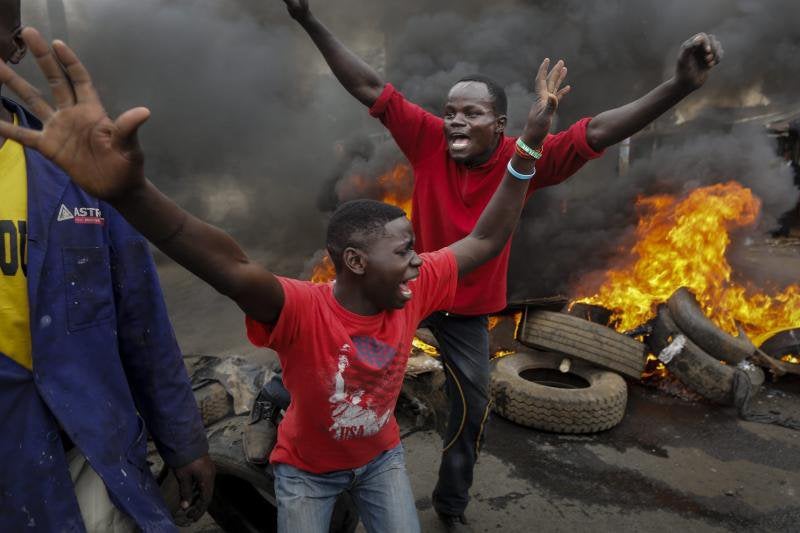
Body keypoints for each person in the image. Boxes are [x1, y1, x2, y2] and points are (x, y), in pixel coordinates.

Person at [0, 26, 567, 532]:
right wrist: (130, 194)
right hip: (306, 474)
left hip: (381, 463)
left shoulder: (419, 286)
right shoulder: (301, 308)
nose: (421, 260)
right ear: (355, 264)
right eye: (405, 251)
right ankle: (273, 404)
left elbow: (487, 240)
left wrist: (532, 143)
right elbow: (223, 263)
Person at [275, 2, 724, 528]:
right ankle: (276, 409)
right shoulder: (425, 140)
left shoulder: (526, 155)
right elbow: (370, 87)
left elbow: (598, 131)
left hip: (466, 310)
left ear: (500, 124)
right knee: (328, 367)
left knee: (471, 410)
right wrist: (307, 19)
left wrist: (679, 86)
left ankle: (451, 506)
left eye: (471, 113)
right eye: (450, 111)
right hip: (410, 290)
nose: (455, 121)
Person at [0, 4, 214, 531]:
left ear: (15, 47)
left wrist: (182, 439)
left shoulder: (75, 170)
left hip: (90, 460)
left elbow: (141, 317)